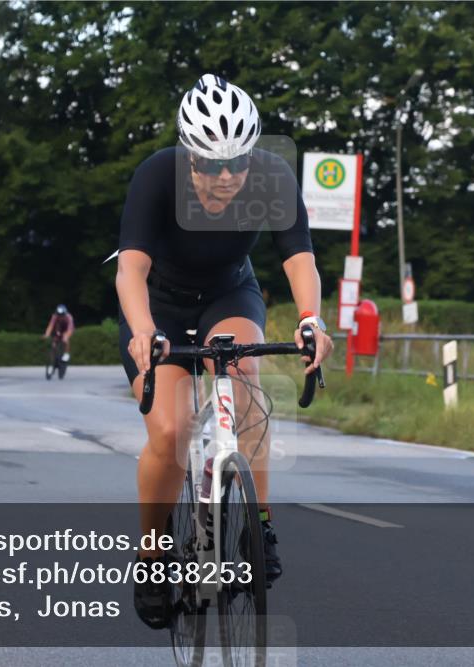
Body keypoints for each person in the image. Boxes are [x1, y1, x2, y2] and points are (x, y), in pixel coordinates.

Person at [115, 73, 332, 628]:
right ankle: (153, 558)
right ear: (189, 155)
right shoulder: (157, 175)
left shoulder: (271, 176)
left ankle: (260, 525)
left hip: (228, 292)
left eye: (237, 163)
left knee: (245, 379)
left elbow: (299, 257)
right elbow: (130, 269)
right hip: (158, 305)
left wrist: (310, 320)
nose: (227, 177)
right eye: (211, 165)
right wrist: (143, 330)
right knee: (171, 430)